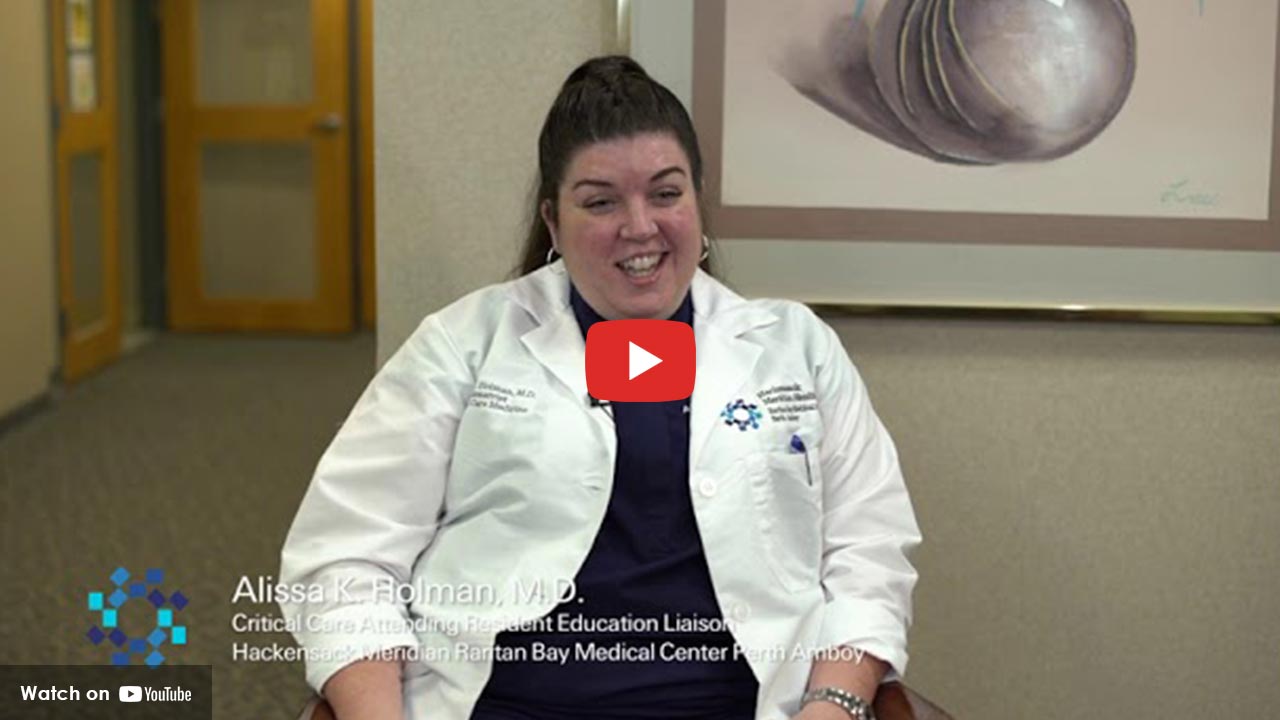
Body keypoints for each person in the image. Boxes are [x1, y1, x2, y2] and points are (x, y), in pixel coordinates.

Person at [279, 56, 921, 720]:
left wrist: (831, 705)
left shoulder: (797, 347)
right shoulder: (462, 345)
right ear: (554, 224)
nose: (639, 227)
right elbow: (345, 557)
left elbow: (868, 553)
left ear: (699, 202)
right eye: (601, 201)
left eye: (666, 193)